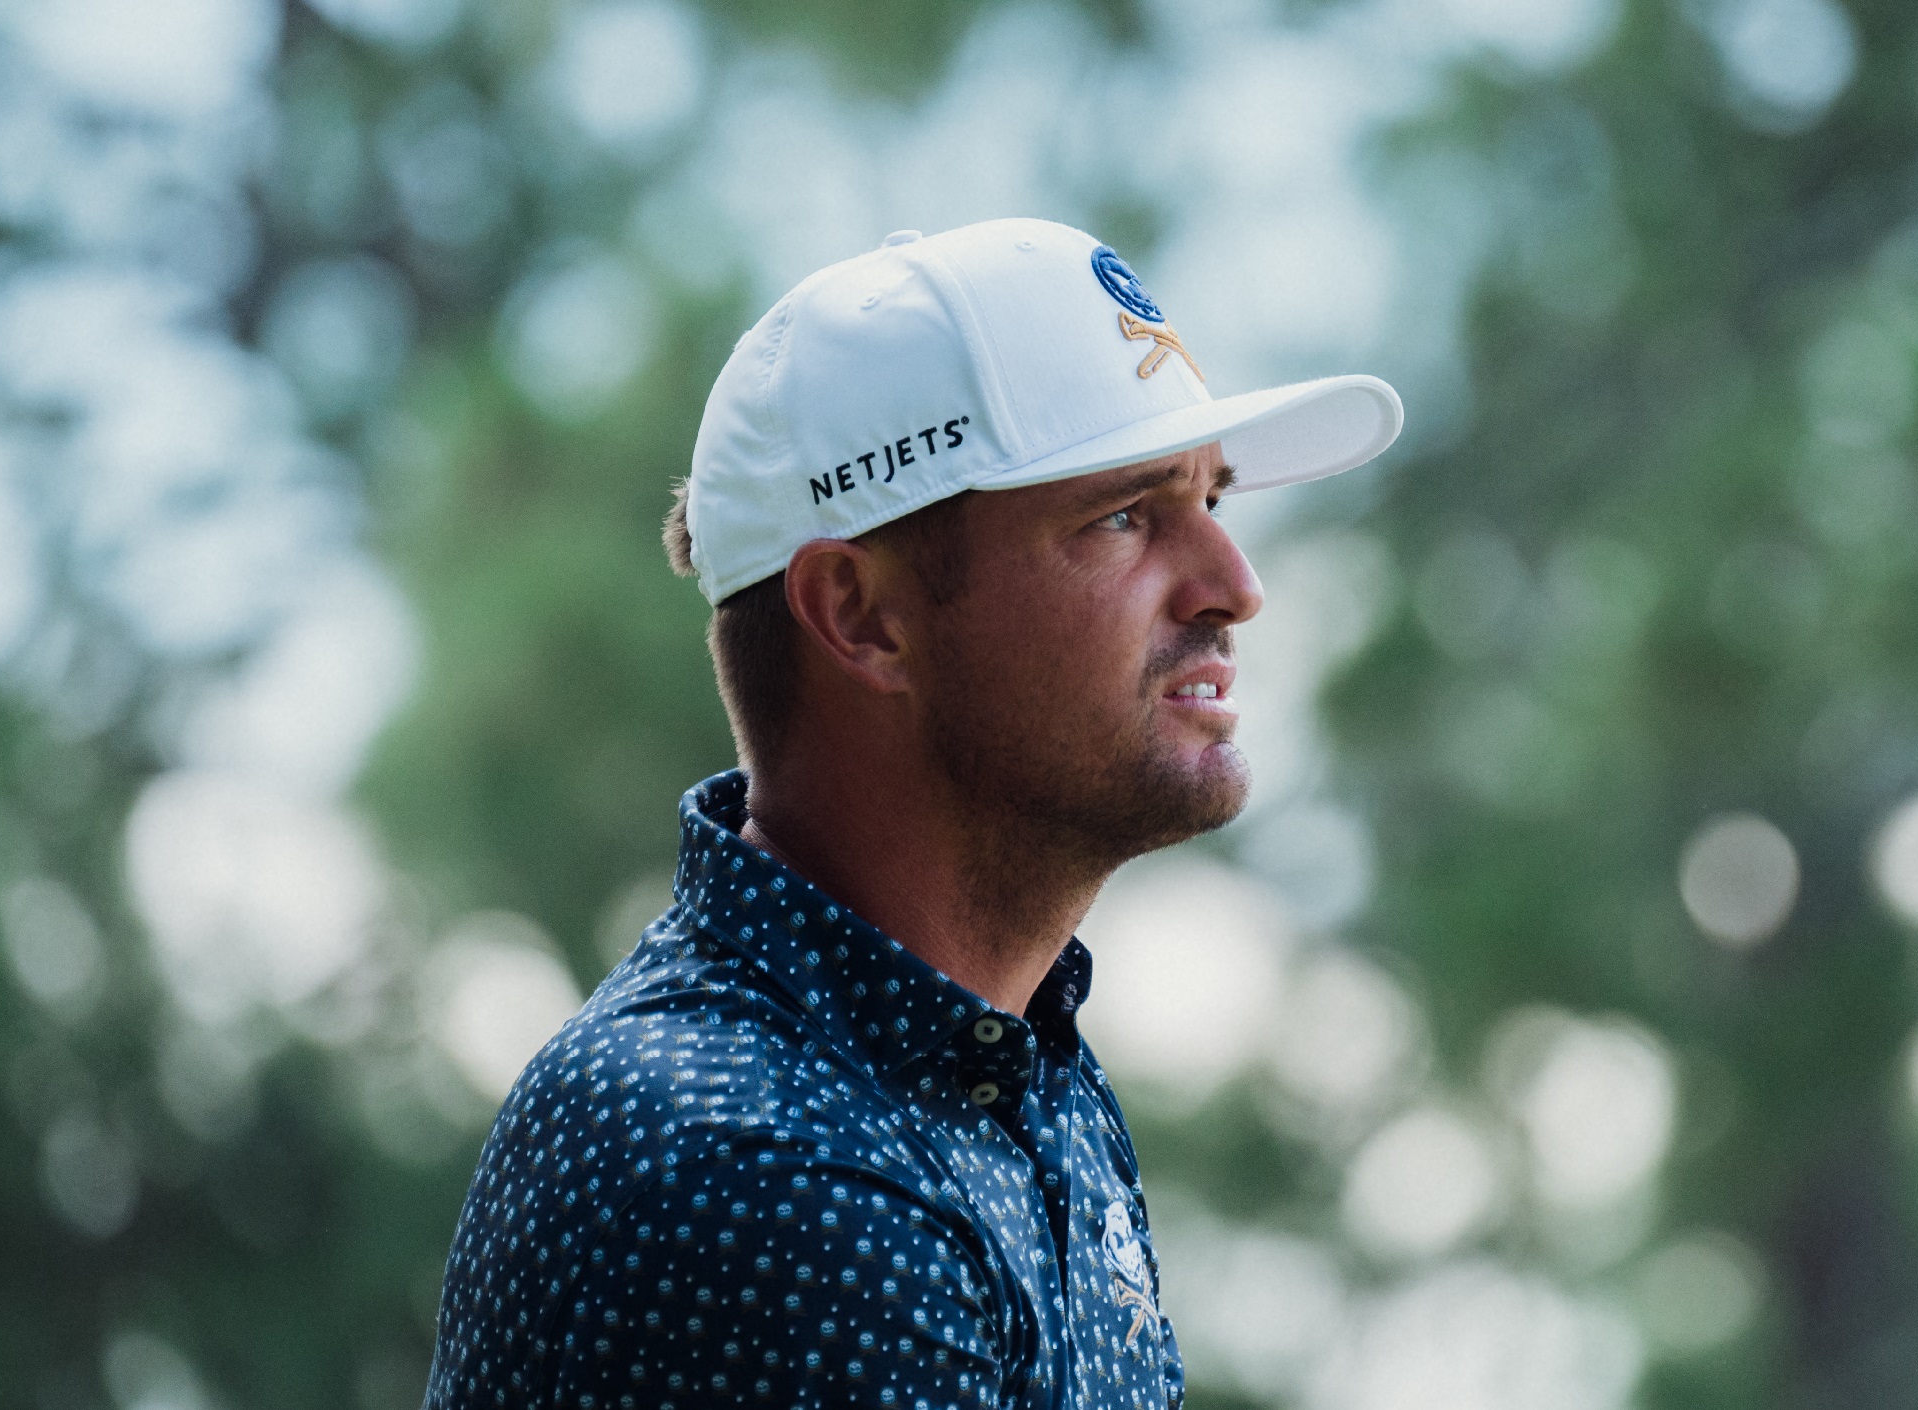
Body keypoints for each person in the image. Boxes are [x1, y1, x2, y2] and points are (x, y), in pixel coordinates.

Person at [423, 218, 1402, 1409]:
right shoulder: (763, 1168)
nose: (1234, 587)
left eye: (1212, 499)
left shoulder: (996, 1065)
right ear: (861, 616)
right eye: (1122, 516)